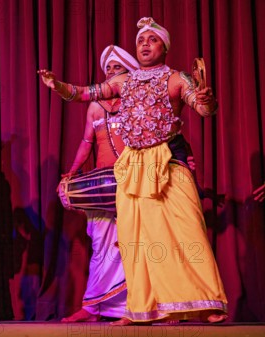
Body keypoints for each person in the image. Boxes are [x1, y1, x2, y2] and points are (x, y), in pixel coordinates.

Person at [39, 17, 227, 325]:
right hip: (133, 165)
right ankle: (140, 308)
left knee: (187, 228)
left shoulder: (178, 79)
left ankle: (207, 302)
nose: (144, 44)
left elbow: (204, 109)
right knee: (134, 238)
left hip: (169, 159)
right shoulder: (122, 82)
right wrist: (56, 85)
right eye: (141, 40)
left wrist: (207, 100)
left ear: (164, 46)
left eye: (152, 39)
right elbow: (83, 93)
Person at [60, 45, 139, 323]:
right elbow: (86, 143)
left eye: (118, 69)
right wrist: (71, 172)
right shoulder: (94, 107)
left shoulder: (138, 103)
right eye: (108, 70)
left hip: (135, 181)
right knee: (100, 246)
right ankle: (93, 307)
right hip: (102, 186)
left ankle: (144, 305)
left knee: (138, 244)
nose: (112, 74)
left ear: (130, 74)